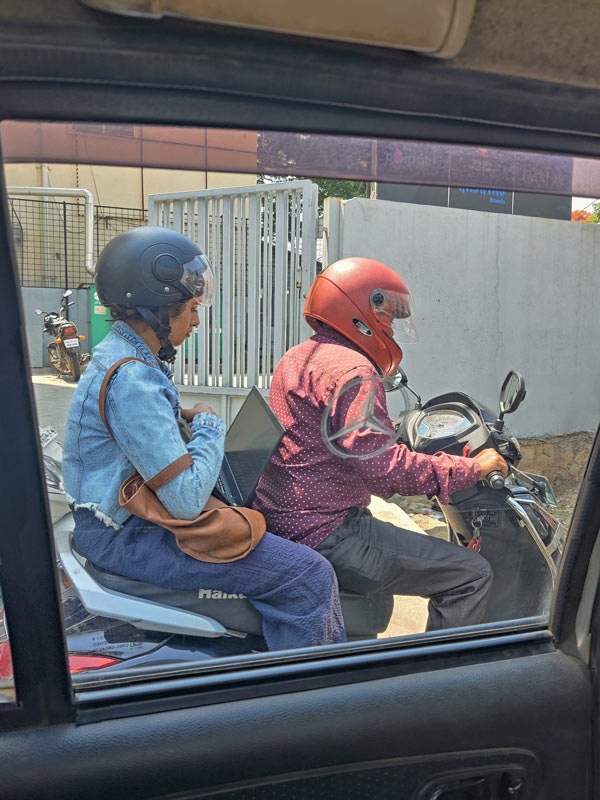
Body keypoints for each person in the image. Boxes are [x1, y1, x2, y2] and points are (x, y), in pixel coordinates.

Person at [62, 226, 346, 651]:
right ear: (159, 309)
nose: (196, 321)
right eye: (192, 309)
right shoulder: (133, 379)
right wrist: (209, 425)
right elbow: (186, 500)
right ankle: (310, 690)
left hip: (119, 524)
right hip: (126, 536)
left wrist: (183, 419)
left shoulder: (122, 356)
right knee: (308, 575)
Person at [254, 257, 508, 631]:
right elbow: (383, 468)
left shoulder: (298, 357)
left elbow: (336, 438)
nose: (389, 327)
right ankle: (443, 670)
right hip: (327, 532)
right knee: (470, 573)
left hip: (288, 518)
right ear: (359, 312)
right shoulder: (355, 372)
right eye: (386, 317)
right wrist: (470, 468)